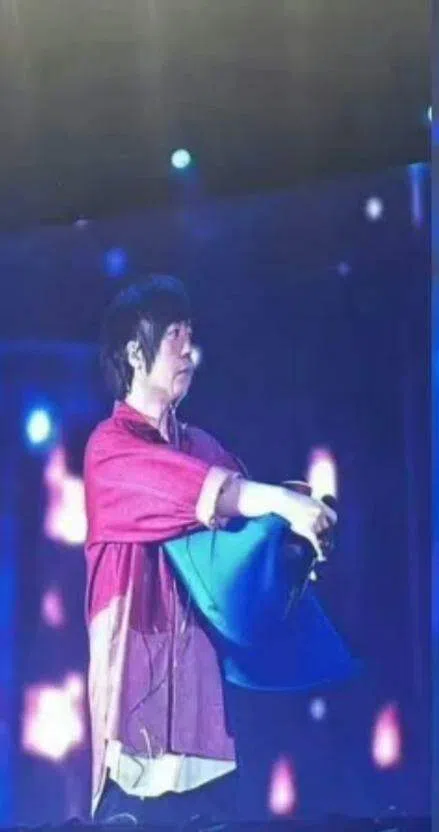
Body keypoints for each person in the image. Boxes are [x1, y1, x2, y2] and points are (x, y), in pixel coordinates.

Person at [84, 275, 337, 823]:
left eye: (190, 335)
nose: (188, 351)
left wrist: (295, 539)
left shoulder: (202, 447)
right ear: (135, 352)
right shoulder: (109, 450)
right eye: (173, 336)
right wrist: (280, 503)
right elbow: (204, 491)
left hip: (211, 755)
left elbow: (252, 536)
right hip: (133, 759)